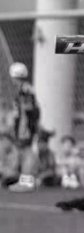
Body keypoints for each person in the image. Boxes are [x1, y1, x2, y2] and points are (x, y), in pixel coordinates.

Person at [4, 62, 41, 193]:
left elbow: (28, 110)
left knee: (27, 152)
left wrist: (22, 127)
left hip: (25, 126)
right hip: (25, 126)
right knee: (24, 152)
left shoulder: (25, 91)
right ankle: (25, 179)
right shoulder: (24, 89)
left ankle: (26, 181)